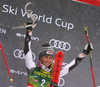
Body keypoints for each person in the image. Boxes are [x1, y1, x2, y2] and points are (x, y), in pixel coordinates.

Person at [24, 22, 93, 87]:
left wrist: (83, 53)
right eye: (46, 57)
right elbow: (27, 51)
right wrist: (29, 32)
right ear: (41, 58)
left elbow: (68, 67)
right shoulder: (32, 68)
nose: (48, 60)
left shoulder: (55, 73)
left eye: (50, 58)